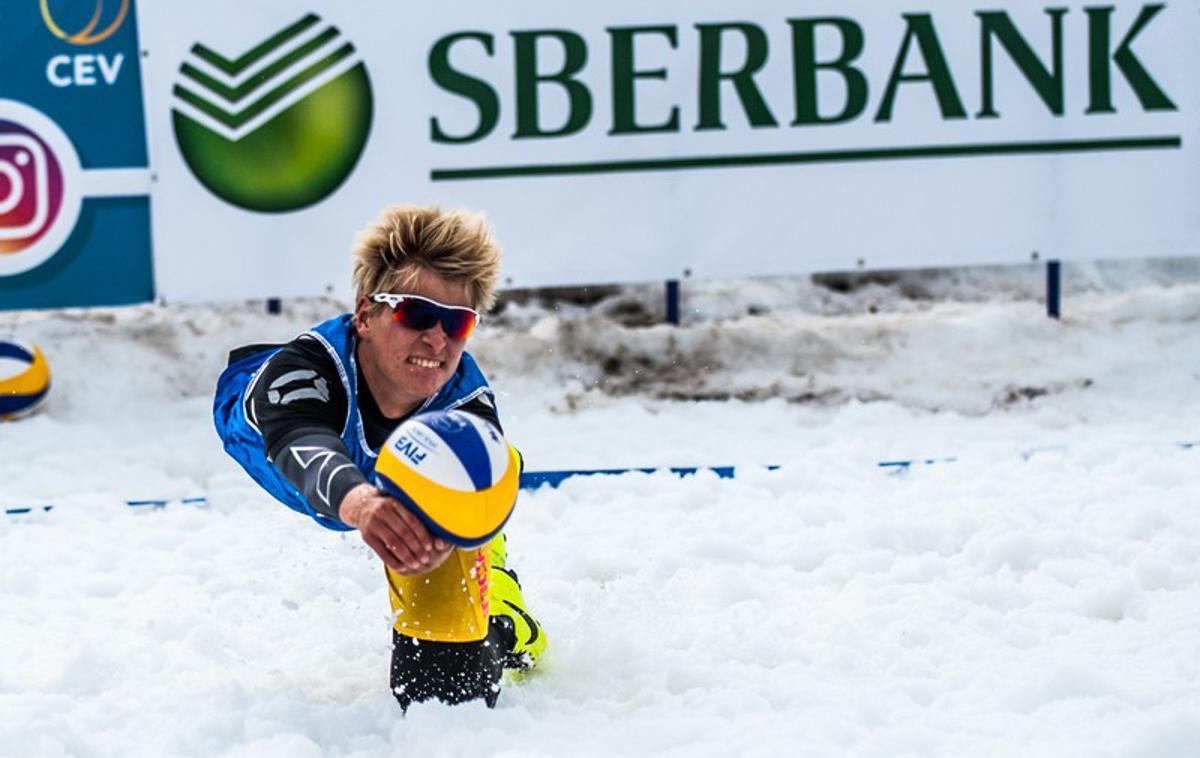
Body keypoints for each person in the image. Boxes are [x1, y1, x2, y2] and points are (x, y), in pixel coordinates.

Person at [212, 204, 546, 710]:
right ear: (366, 314)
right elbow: (300, 443)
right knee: (380, 474)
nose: (436, 338)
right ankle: (487, 581)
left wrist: (457, 530)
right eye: (417, 314)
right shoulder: (303, 372)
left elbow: (481, 488)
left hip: (399, 470)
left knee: (449, 692)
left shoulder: (464, 400)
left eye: (457, 323)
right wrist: (364, 505)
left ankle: (502, 612)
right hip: (272, 438)